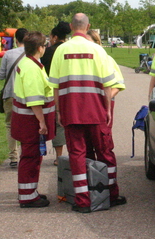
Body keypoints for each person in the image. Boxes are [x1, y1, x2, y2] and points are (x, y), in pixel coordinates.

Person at [48, 13, 126, 213]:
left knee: (77, 154)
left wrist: (58, 111)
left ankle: (82, 201)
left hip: (71, 111)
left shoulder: (60, 50)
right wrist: (107, 108)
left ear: (71, 26)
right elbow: (108, 85)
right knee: (105, 152)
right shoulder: (98, 51)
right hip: (96, 111)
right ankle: (111, 194)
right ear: (88, 26)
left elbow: (55, 86)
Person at [11, 31, 56, 208]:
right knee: (31, 157)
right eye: (44, 45)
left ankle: (30, 191)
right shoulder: (32, 68)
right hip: (31, 122)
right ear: (39, 48)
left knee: (32, 157)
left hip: (26, 121)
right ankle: (28, 196)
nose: (45, 48)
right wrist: (42, 122)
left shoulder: (30, 64)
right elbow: (34, 99)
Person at [40, 21, 71, 166]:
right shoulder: (69, 50)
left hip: (52, 90)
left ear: (54, 36)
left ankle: (58, 157)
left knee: (57, 122)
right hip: (69, 89)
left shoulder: (49, 51)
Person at [0, 27, 28, 168]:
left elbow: (1, 75)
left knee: (10, 125)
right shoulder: (31, 54)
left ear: (16, 40)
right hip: (26, 95)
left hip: (10, 94)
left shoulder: (8, 54)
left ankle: (13, 156)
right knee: (27, 125)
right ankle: (26, 154)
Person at [86, 29, 126, 126]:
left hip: (102, 105)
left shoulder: (107, 60)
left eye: (88, 42)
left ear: (97, 43)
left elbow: (118, 85)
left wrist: (100, 100)